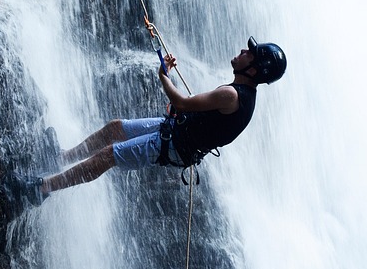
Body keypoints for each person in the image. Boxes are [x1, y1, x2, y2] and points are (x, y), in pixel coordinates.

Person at [20, 36, 286, 204]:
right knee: (115, 128)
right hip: (173, 132)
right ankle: (63, 157)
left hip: (175, 145)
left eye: (250, 53)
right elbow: (199, 114)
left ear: (254, 69)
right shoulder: (242, 95)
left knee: (108, 155)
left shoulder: (232, 95)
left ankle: (43, 188)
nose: (243, 50)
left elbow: (181, 102)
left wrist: (163, 76)